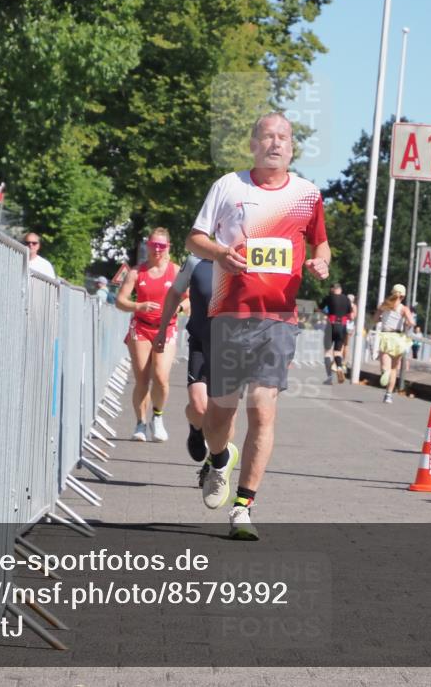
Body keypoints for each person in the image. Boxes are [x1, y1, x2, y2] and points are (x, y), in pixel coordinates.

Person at [186, 111, 330, 540]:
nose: (276, 143)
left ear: (292, 146)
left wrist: (322, 260)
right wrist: (219, 253)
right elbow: (194, 238)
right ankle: (217, 460)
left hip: (279, 319)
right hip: (229, 314)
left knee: (262, 410)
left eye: (283, 137)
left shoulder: (307, 194)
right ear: (253, 144)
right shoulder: (229, 186)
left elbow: (320, 241)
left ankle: (243, 507)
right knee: (219, 415)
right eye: (267, 136)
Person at [154, 254, 214, 487]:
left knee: (223, 413)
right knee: (199, 406)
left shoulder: (248, 256)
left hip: (232, 345)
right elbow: (174, 294)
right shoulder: (195, 261)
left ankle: (213, 462)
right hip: (200, 341)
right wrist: (162, 329)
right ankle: (196, 427)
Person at [115, 228, 180, 443]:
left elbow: (189, 300)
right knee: (142, 378)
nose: (157, 250)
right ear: (148, 246)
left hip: (167, 328)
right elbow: (120, 301)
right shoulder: (136, 272)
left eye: (162, 246)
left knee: (161, 377)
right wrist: (138, 305)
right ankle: (140, 423)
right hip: (141, 328)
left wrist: (179, 309)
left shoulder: (176, 272)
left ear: (168, 247)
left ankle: (157, 417)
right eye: (154, 245)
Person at [373, 284, 415, 404]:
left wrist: (383, 319)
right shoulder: (404, 309)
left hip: (386, 336)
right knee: (394, 369)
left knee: (385, 366)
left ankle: (384, 372)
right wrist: (406, 322)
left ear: (392, 293)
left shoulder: (384, 305)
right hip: (398, 338)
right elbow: (411, 322)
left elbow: (375, 319)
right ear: (403, 296)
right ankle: (388, 395)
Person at [320, 282, 353, 384]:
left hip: (331, 325)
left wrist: (327, 312)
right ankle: (339, 367)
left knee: (327, 352)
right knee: (338, 352)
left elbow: (321, 308)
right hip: (342, 326)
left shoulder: (329, 297)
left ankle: (329, 377)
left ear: (333, 289)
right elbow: (350, 314)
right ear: (341, 289)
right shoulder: (346, 299)